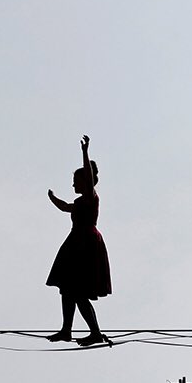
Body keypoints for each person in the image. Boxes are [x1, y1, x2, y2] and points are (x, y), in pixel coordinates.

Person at [46, 134, 111, 346]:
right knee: (67, 289)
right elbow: (66, 207)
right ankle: (66, 329)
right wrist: (53, 198)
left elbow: (89, 178)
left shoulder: (92, 197)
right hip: (75, 245)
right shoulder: (80, 202)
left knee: (80, 293)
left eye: (76, 181)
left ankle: (95, 332)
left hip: (86, 246)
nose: (73, 184)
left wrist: (84, 152)